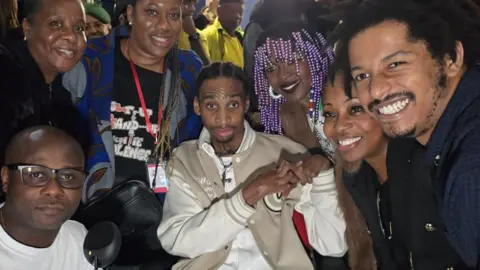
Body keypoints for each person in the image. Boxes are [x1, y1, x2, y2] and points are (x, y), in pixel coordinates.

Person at [158, 62, 347, 270]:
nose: (223, 118)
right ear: (197, 106)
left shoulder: (284, 152)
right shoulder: (185, 159)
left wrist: (323, 178)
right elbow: (177, 240)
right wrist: (250, 194)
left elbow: (333, 245)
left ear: (246, 104)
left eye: (233, 105)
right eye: (212, 106)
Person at [333, 0, 480, 266]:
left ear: (451, 58)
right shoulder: (429, 149)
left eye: (396, 64)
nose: (376, 90)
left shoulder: (468, 171)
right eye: (362, 76)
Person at [323, 72, 470, 269]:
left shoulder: (431, 170)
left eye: (356, 109)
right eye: (330, 114)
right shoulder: (358, 179)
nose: (339, 126)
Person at [63, 0, 204, 203]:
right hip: (94, 209)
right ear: (130, 14)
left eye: (173, 15)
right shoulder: (90, 61)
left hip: (169, 211)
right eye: (152, 12)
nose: (164, 25)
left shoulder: (189, 70)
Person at [0, 0, 88, 168]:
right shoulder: (7, 78)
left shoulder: (59, 91)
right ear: (27, 27)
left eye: (79, 28)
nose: (71, 36)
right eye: (56, 24)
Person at [0, 126, 93, 270]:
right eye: (36, 174)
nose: (54, 190)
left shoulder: (78, 239)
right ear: (6, 179)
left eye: (68, 176)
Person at [253, 22, 336, 158]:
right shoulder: (278, 118)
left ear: (316, 58)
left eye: (293, 60)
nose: (283, 75)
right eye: (271, 68)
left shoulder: (345, 103)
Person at [201, 0, 244, 68]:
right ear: (219, 11)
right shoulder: (206, 36)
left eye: (240, 12)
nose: (237, 16)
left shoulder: (243, 37)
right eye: (232, 12)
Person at [178, 0, 211, 65]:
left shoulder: (199, 36)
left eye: (194, 3)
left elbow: (206, 71)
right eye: (186, 2)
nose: (192, 8)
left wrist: (193, 36)